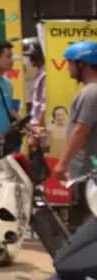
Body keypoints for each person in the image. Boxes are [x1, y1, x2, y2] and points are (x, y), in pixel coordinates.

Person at [51, 41, 97, 183]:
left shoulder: (91, 92)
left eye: (70, 63)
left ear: (82, 64)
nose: (67, 68)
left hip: (88, 170)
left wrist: (62, 163)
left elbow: (81, 131)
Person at [23, 38, 46, 129]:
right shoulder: (38, 74)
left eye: (32, 57)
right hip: (35, 124)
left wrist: (38, 129)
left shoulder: (45, 75)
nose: (30, 61)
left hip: (39, 126)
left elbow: (45, 106)